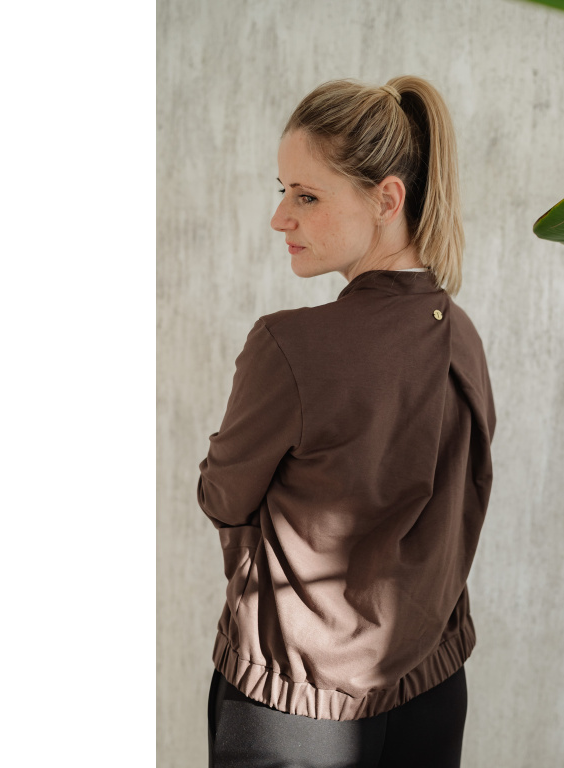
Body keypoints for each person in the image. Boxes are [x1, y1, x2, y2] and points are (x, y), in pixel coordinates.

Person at [197, 75, 497, 768]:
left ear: (387, 199)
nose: (281, 218)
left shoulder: (290, 347)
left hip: (292, 711)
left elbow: (222, 495)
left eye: (306, 196)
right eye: (283, 191)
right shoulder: (463, 337)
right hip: (433, 689)